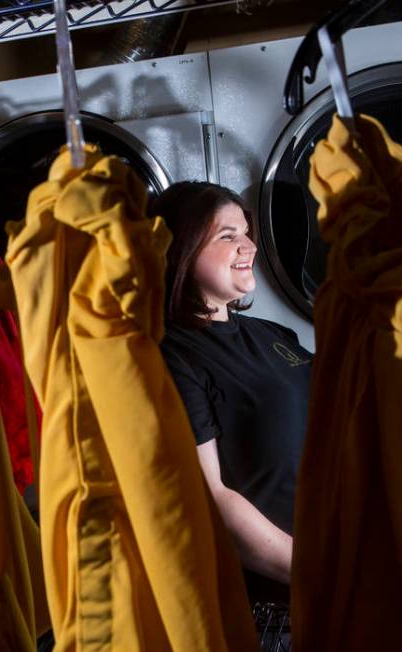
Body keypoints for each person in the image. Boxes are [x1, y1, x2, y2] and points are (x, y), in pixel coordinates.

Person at [153, 181, 312, 606]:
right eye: (228, 236)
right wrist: (318, 577)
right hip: (276, 601)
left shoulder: (274, 335)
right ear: (180, 249)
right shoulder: (170, 355)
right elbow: (211, 499)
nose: (249, 247)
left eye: (246, 233)